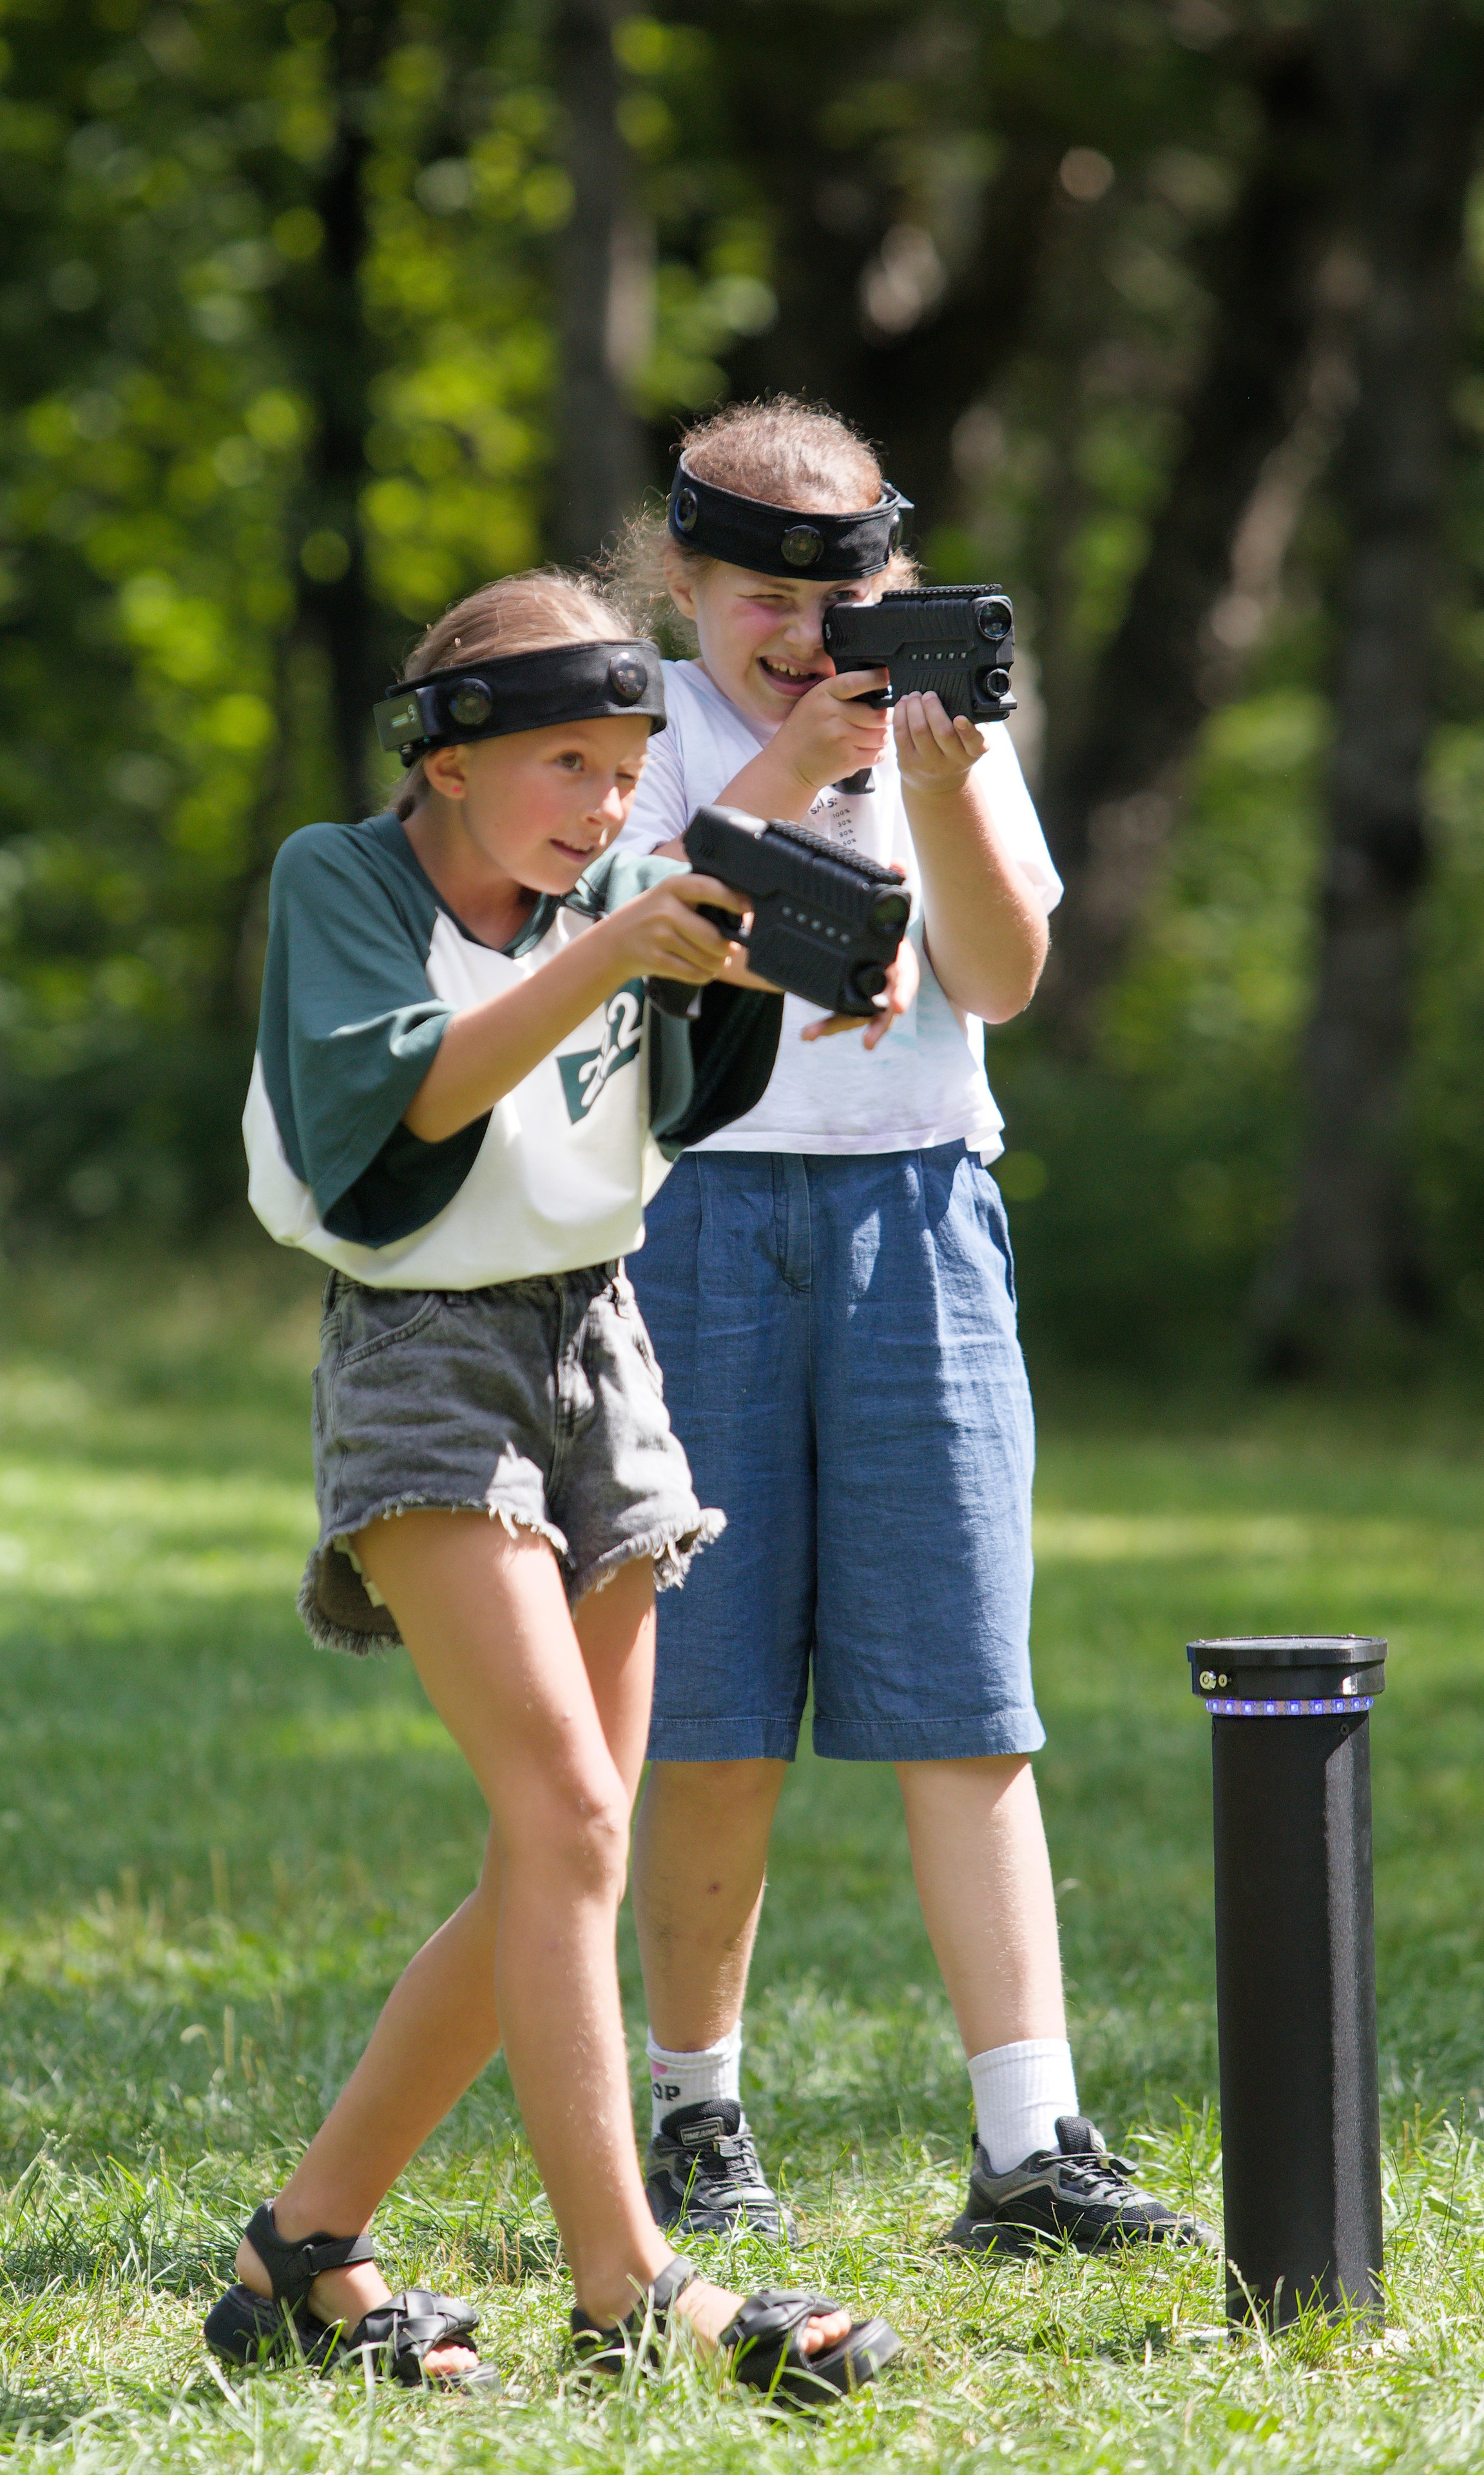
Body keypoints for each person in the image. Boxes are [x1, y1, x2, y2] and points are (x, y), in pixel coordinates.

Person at [213, 566, 901, 2404]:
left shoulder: (610, 888)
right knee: (575, 1819)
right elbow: (409, 1109)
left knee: (560, 1844)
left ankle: (303, 2251)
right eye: (570, 764)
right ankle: (631, 2287)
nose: (608, 803)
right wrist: (621, 942)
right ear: (443, 760)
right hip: (426, 1356)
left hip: (605, 1347)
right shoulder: (338, 878)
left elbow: (674, 1054)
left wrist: (797, 965)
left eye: (624, 768)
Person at [617, 401, 1213, 2257]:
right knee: (707, 1711)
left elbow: (1004, 974)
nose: (803, 641)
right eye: (760, 604)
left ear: (898, 590)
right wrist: (798, 764)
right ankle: (695, 2110)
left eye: (843, 601)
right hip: (690, 1218)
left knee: (967, 1698)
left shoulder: (938, 733)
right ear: (684, 584)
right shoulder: (639, 729)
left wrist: (941, 786)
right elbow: (639, 921)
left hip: (919, 1218)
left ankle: (1029, 2139)